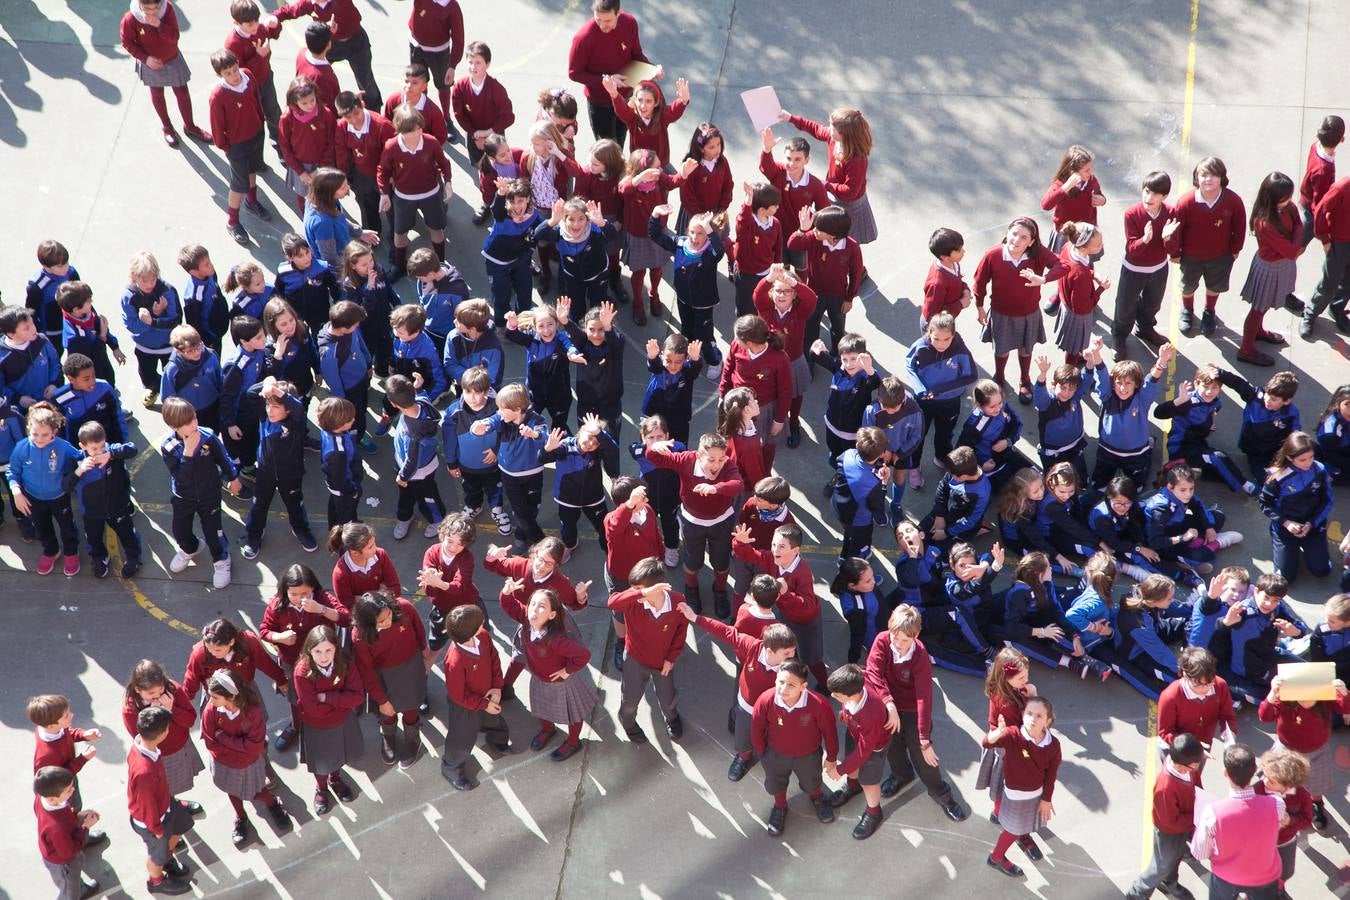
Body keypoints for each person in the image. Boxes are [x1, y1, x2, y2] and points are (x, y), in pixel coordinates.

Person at [864, 604, 969, 821]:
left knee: (923, 757)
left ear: (916, 636)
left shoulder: (920, 654)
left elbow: (923, 697)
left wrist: (924, 739)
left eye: (905, 640)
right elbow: (873, 673)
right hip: (889, 704)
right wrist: (888, 704)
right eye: (895, 637)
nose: (898, 644)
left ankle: (941, 792)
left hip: (911, 708)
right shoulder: (882, 640)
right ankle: (902, 775)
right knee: (892, 746)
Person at [972, 216, 1069, 404]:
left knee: (1025, 350)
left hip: (1028, 314)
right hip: (1001, 314)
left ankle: (1025, 379)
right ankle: (999, 377)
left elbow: (1063, 265)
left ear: (1032, 241)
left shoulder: (1038, 255)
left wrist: (1043, 278)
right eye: (1014, 234)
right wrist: (979, 307)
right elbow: (980, 282)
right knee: (1001, 349)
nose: (1017, 240)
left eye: (1024, 237)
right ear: (1007, 233)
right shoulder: (993, 255)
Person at [645, 433, 743, 615]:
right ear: (698, 455)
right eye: (711, 459)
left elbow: (738, 484)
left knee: (721, 563)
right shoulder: (686, 460)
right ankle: (691, 590)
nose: (717, 465)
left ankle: (720, 590)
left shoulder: (727, 465)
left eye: (721, 459)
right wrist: (654, 448)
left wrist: (716, 488)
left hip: (721, 522)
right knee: (692, 561)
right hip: (692, 522)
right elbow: (654, 459)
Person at [500, 587, 597, 762]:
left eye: (542, 607)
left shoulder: (556, 640)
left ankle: (573, 742)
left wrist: (568, 670)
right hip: (539, 678)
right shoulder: (526, 621)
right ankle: (548, 730)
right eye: (532, 604)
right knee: (541, 709)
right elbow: (509, 605)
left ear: (552, 615)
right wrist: (506, 593)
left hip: (561, 683)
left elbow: (583, 655)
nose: (534, 609)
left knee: (572, 715)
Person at [259, 563, 347, 751]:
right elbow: (264, 631)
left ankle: (331, 723)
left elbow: (346, 618)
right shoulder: (277, 605)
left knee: (328, 693)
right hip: (293, 662)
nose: (300, 599)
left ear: (313, 589)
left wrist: (321, 609)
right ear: (285, 590)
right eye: (294, 594)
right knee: (296, 698)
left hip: (324, 660)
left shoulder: (321, 599)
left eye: (305, 593)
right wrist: (279, 637)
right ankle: (296, 725)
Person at [200, 671, 291, 848]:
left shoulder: (252, 712)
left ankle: (273, 804)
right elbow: (211, 742)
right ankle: (241, 818)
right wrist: (239, 748)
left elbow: (255, 747)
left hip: (248, 763)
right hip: (225, 764)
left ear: (231, 696)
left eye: (215, 697)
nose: (211, 701)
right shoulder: (211, 711)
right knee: (232, 791)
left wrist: (225, 739)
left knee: (257, 791)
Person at [748, 659, 837, 836]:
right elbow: (757, 728)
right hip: (775, 754)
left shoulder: (818, 704)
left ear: (803, 686)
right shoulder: (766, 700)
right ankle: (780, 806)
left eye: (791, 685)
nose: (783, 689)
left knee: (811, 780)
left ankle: (817, 797)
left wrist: (832, 757)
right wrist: (762, 753)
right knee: (776, 781)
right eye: (781, 682)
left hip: (808, 754)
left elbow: (830, 733)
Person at [608, 559, 689, 743]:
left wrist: (671, 658)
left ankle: (672, 719)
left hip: (662, 662)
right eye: (634, 588)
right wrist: (641, 592)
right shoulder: (632, 600)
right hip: (635, 660)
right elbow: (613, 603)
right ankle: (628, 723)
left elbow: (680, 631)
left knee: (667, 698)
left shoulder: (677, 601)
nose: (634, 592)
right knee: (630, 700)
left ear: (659, 587)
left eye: (639, 588)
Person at [1257, 672, 1350, 831]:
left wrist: (1345, 693)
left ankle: (1316, 804)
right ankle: (1280, 803)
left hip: (1317, 751)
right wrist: (1272, 694)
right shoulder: (1285, 698)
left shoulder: (1326, 697)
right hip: (1287, 750)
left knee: (1317, 783)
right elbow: (1264, 716)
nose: (1306, 699)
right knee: (1279, 780)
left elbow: (1346, 707)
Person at [352, 590, 434, 769]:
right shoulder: (360, 636)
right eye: (381, 621)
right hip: (384, 676)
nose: (388, 621)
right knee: (387, 711)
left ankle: (413, 738)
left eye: (388, 615)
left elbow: (418, 627)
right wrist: (381, 700)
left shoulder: (403, 607)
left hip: (411, 667)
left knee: (411, 707)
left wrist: (423, 647)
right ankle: (388, 734)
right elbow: (367, 672)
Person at [1189, 744, 1283, 900]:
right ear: (1254, 771)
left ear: (1225, 773)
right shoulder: (1277, 804)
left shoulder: (1212, 812)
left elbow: (1199, 852)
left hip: (1226, 878)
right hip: (1265, 876)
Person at [981, 696, 1062, 878]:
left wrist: (1046, 799)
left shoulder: (1053, 745)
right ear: (1023, 715)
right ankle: (996, 858)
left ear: (1048, 721)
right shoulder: (1013, 735)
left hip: (1036, 795)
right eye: (1029, 713)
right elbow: (987, 742)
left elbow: (1051, 775)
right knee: (1011, 830)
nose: (1033, 718)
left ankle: (1023, 837)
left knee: (1026, 824)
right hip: (1015, 797)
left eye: (1039, 715)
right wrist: (998, 732)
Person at [292, 625, 365, 814]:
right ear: (309, 650)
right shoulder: (302, 672)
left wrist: (327, 697)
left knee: (338, 754)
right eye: (317, 651)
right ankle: (321, 788)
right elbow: (314, 711)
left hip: (342, 722)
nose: (323, 657)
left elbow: (357, 697)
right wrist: (342, 700)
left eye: (328, 650)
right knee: (321, 762)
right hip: (317, 726)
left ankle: (335, 779)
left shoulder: (345, 662)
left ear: (336, 649)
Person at [119, 0, 212, 148]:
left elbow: (174, 37)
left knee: (182, 93)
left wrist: (159, 25)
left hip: (171, 58)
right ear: (139, 4)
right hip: (151, 63)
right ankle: (167, 127)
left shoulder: (168, 10)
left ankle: (190, 126)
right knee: (157, 94)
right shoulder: (130, 19)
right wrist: (145, 58)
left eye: (156, 8)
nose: (152, 12)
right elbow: (127, 42)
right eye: (147, 9)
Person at [242, 377, 317, 557]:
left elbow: (298, 406)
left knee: (295, 504)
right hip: (265, 473)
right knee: (259, 505)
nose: (269, 410)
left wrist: (277, 392)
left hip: (291, 474)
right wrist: (268, 383)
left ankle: (300, 529)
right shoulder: (264, 416)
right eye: (268, 405)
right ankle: (254, 534)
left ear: (288, 408)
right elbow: (251, 393)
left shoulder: (296, 422)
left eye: (275, 407)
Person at [780, 106, 876, 245]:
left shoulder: (856, 159)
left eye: (832, 127)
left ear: (844, 134)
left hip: (849, 205)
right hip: (833, 195)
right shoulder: (834, 140)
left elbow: (850, 191)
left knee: (844, 241)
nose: (828, 129)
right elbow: (816, 128)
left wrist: (826, 185)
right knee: (827, 235)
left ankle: (849, 263)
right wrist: (791, 118)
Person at [1125, 733, 1205, 900]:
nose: (1196, 768)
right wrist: (1196, 817)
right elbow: (1169, 822)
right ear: (1182, 765)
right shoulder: (1165, 787)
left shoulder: (1186, 766)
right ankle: (1137, 893)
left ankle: (1169, 883)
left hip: (1183, 826)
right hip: (1169, 832)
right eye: (1194, 765)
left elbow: (1197, 784)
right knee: (1161, 865)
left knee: (1173, 859)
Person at [1172, 157, 1246, 335]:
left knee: (1214, 286)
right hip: (1191, 257)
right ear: (1196, 178)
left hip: (1220, 256)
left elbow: (1240, 227)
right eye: (1203, 175)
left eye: (1213, 175)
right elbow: (1176, 230)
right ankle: (1187, 310)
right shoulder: (1186, 202)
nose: (1208, 179)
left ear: (1222, 177)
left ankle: (1209, 311)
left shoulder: (1233, 201)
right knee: (1188, 286)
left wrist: (1235, 250)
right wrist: (1175, 252)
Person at [377, 107, 454, 280]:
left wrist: (448, 183)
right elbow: (383, 170)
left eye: (420, 127)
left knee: (437, 229)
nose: (420, 131)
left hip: (431, 194)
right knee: (400, 233)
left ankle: (440, 264)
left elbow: (444, 164)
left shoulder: (431, 142)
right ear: (402, 131)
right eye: (415, 130)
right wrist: (384, 193)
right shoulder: (391, 146)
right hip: (404, 198)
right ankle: (399, 265)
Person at [121, 661, 205, 817]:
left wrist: (172, 709)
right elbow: (144, 739)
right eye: (152, 694)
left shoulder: (172, 690)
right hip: (161, 755)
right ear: (138, 690)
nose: (159, 696)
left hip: (181, 745)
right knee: (163, 789)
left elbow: (190, 720)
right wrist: (154, 716)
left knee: (172, 788)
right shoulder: (131, 710)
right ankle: (170, 817)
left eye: (160, 690)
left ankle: (174, 804)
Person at [440, 605, 511, 791]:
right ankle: (451, 767)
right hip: (465, 707)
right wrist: (483, 704)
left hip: (488, 695)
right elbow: (458, 695)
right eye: (480, 624)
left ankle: (497, 741)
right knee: (461, 737)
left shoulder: (483, 636)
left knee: (494, 720)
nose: (484, 624)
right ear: (469, 632)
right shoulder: (455, 660)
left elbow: (494, 658)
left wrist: (496, 687)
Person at [126, 707, 195, 895]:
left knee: (181, 826)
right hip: (152, 821)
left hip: (166, 806)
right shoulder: (144, 772)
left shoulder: (141, 744)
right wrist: (156, 829)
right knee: (157, 855)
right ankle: (156, 882)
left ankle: (167, 858)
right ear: (163, 733)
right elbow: (147, 805)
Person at [567, 0, 656, 145]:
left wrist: (651, 69)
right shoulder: (583, 38)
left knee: (620, 140)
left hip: (626, 97)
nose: (602, 25)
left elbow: (636, 54)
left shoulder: (629, 23)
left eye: (608, 20)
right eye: (598, 19)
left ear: (618, 13)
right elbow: (574, 73)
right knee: (608, 149)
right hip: (600, 102)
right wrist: (606, 79)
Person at [6, 402, 80, 576]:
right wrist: (16, 490)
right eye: (35, 434)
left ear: (54, 431)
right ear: (28, 429)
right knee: (42, 528)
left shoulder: (63, 447)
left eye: (45, 434)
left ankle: (71, 552)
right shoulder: (22, 448)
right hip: (34, 498)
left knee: (67, 527)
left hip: (59, 496)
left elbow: (80, 457)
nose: (39, 439)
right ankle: (51, 551)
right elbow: (13, 471)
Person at [788, 206, 865, 371]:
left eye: (819, 228)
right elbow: (792, 243)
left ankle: (838, 358)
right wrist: (802, 229)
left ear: (833, 234)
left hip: (838, 296)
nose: (814, 230)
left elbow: (856, 274)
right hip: (814, 294)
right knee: (810, 328)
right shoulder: (814, 238)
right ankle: (810, 358)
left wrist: (849, 298)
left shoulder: (851, 247)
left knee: (838, 328)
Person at [473, 383, 548, 551]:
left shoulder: (537, 420)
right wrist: (477, 427)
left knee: (532, 508)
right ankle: (543, 543)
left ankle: (522, 535)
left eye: (502, 408)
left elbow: (545, 436)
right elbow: (489, 421)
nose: (499, 411)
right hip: (509, 475)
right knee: (520, 510)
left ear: (518, 409)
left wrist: (534, 434)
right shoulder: (502, 418)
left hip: (533, 474)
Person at [1237, 172, 1302, 365]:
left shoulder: (1286, 207)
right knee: (1258, 308)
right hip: (1270, 268)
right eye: (1285, 197)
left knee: (1262, 308)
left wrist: (1295, 243)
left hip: (1279, 265)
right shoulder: (1265, 222)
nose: (1290, 201)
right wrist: (1298, 244)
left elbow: (1298, 224)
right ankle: (1246, 349)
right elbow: (1291, 249)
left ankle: (1257, 332)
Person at [1113, 171, 1179, 358]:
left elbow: (1173, 249)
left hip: (1158, 269)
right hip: (1134, 269)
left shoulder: (1171, 213)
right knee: (1125, 306)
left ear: (1164, 196)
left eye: (1155, 194)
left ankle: (1145, 329)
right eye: (1147, 191)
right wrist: (1145, 239)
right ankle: (1119, 336)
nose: (1149, 197)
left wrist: (1167, 237)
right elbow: (1132, 249)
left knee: (1152, 303)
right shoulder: (1132, 214)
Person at [602, 477, 664, 670]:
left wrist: (659, 558)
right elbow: (614, 525)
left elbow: (655, 536)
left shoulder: (648, 511)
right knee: (621, 612)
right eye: (641, 499)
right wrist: (630, 505)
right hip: (622, 576)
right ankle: (621, 643)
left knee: (649, 604)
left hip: (648, 573)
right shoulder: (613, 520)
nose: (646, 502)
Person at [826, 663, 893, 840]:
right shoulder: (858, 679)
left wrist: (839, 770)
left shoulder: (870, 714)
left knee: (868, 780)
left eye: (837, 695)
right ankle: (852, 786)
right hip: (856, 729)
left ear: (854, 694)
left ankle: (874, 811)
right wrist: (845, 713)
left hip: (874, 744)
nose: (833, 696)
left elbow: (864, 751)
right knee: (851, 757)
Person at [1091, 345, 1173, 490]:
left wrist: (1162, 360)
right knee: (1098, 486)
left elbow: (1152, 380)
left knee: (1136, 488)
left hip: (1135, 454)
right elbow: (1102, 374)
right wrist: (1096, 353)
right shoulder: (1107, 396)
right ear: (1113, 384)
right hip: (1107, 451)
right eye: (1119, 383)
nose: (1123, 388)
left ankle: (1148, 448)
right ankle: (1150, 442)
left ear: (1136, 384)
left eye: (1128, 383)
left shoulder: (1142, 399)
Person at [904, 311, 978, 468]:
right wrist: (919, 388)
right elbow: (909, 365)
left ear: (953, 335)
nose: (941, 344)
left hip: (950, 402)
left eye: (947, 339)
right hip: (924, 401)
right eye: (936, 338)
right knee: (919, 434)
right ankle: (915, 466)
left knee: (944, 434)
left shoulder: (961, 351)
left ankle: (941, 457)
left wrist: (941, 390)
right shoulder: (920, 346)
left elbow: (971, 376)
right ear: (929, 333)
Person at [1259, 431, 1334, 583]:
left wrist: (1312, 523)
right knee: (1285, 578)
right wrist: (1286, 522)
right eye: (1302, 460)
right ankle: (1282, 542)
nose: (1309, 463)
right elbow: (1265, 503)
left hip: (1312, 524)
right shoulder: (1277, 477)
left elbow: (1327, 500)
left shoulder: (1319, 470)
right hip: (1286, 526)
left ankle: (1313, 546)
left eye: (1311, 457)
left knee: (1322, 570)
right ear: (1289, 457)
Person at [72, 421, 144, 579]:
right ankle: (99, 558)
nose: (99, 452)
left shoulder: (111, 452)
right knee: (93, 537)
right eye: (94, 449)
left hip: (117, 507)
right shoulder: (77, 461)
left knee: (127, 534)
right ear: (82, 446)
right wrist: (79, 471)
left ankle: (133, 557)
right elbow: (65, 485)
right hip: (91, 512)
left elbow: (132, 448)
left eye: (102, 446)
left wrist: (110, 454)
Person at [275, 0, 380, 108]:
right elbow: (290, 11)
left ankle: (374, 110)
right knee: (315, 77)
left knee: (366, 81)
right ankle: (306, 106)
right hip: (330, 45)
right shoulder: (309, 4)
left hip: (357, 43)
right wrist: (274, 18)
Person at [442, 367, 509, 531]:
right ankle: (474, 506)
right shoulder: (454, 411)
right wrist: (451, 462)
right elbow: (449, 440)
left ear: (487, 391)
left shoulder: (497, 409)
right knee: (470, 487)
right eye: (467, 391)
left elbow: (505, 432)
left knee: (495, 486)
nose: (472, 397)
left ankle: (497, 509)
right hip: (466, 464)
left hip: (492, 464)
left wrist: (496, 450)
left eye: (477, 392)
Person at [1156, 647, 1236, 777]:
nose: (1205, 689)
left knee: (1195, 778)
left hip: (1202, 747)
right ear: (1185, 675)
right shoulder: (1170, 697)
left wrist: (1229, 731)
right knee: (1178, 782)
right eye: (1198, 685)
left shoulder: (1220, 685)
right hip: (1177, 750)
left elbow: (1227, 715)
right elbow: (1166, 732)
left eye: (1209, 683)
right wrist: (1193, 749)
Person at [386, 374, 448, 540]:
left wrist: (403, 476)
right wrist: (419, 387)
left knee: (427, 496)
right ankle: (405, 517)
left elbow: (412, 460)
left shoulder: (412, 434)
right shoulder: (421, 402)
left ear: (393, 404)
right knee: (406, 495)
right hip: (409, 468)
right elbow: (422, 395)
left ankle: (437, 520)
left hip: (418, 472)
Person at [120, 251, 183, 410]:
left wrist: (153, 321)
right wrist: (151, 318)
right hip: (144, 347)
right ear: (134, 277)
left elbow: (175, 321)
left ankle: (174, 397)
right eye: (144, 280)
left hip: (169, 346)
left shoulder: (167, 290)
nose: (150, 284)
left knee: (174, 375)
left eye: (153, 279)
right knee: (147, 376)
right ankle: (154, 388)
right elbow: (131, 326)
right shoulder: (129, 297)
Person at [33, 765, 102, 900]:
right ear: (52, 798)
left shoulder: (42, 799)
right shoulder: (56, 828)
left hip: (60, 854)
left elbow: (64, 813)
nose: (73, 790)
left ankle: (80, 888)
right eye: (68, 790)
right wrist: (85, 827)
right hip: (63, 863)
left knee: (73, 883)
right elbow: (69, 852)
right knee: (70, 893)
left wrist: (78, 816)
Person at [1255, 748, 1315, 897]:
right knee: (1259, 873)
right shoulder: (1257, 790)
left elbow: (1307, 820)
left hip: (1285, 842)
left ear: (1288, 784)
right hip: (1262, 843)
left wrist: (1291, 820)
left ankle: (1279, 890)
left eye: (1272, 780)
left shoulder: (1302, 795)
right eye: (1265, 775)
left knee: (1285, 871)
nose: (1265, 781)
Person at [418, 514, 482, 651]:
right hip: (442, 608)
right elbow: (430, 591)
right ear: (443, 534)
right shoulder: (432, 553)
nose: (453, 547)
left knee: (478, 637)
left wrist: (438, 583)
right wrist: (431, 581)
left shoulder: (466, 558)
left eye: (460, 544)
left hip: (468, 605)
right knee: (435, 646)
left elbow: (459, 587)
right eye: (450, 540)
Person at [223, 0, 283, 146]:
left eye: (257, 20)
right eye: (250, 24)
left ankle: (279, 141)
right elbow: (239, 73)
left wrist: (275, 26)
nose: (256, 26)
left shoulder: (259, 28)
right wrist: (259, 56)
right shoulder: (232, 44)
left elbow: (271, 34)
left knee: (273, 112)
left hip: (266, 78)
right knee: (254, 120)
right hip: (248, 88)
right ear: (236, 23)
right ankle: (257, 150)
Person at [451, 41, 515, 170]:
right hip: (474, 137)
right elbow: (460, 115)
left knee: (499, 166)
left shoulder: (496, 89)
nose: (473, 67)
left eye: (478, 63)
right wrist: (475, 134)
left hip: (495, 136)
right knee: (478, 165)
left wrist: (488, 134)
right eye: (470, 62)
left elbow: (508, 117)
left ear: (488, 64)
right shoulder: (459, 87)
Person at [831, 425, 890, 561]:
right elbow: (877, 507)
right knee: (859, 544)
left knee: (849, 535)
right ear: (881, 454)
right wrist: (884, 483)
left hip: (838, 506)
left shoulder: (847, 455)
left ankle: (843, 557)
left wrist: (874, 471)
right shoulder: (874, 482)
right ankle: (850, 565)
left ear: (857, 444)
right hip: (858, 520)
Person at [328, 522, 402, 617]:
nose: (375, 548)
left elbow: (395, 587)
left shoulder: (380, 555)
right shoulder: (340, 574)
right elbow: (348, 606)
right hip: (366, 620)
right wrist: (381, 594)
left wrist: (362, 600)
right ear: (355, 553)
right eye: (370, 547)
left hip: (387, 612)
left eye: (374, 543)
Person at [57, 281, 125, 384]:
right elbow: (91, 356)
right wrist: (102, 336)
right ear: (76, 310)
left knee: (109, 377)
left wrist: (114, 346)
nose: (91, 302)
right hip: (93, 376)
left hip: (103, 364)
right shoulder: (74, 337)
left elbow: (99, 325)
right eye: (88, 301)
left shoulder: (86, 310)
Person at [26, 239, 79, 354]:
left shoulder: (71, 272)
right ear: (46, 266)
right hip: (52, 332)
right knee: (55, 356)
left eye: (66, 263)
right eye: (60, 266)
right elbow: (31, 312)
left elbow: (80, 295)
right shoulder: (37, 286)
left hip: (72, 325)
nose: (66, 268)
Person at [176, 245, 228, 356]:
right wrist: (206, 341)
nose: (211, 265)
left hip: (219, 329)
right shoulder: (194, 297)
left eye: (209, 261)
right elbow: (194, 325)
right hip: (210, 337)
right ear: (194, 272)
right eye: (206, 265)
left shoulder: (210, 274)